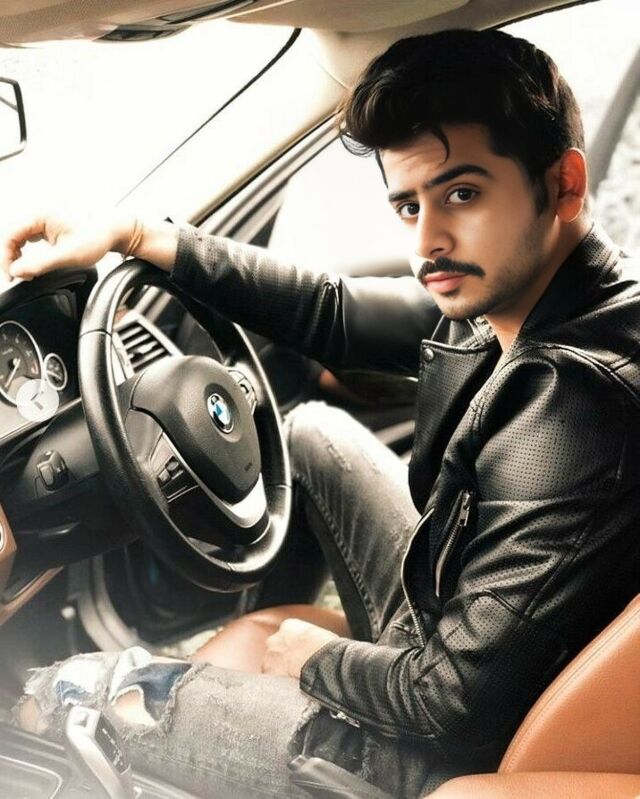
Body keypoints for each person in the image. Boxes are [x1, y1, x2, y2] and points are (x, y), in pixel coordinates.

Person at [2, 28, 640, 799]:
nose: (427, 242)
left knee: (71, 693)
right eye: (408, 205)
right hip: (460, 619)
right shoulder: (543, 296)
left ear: (564, 184)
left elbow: (452, 705)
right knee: (311, 433)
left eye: (462, 194)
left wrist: (312, 656)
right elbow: (332, 311)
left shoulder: (573, 406)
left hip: (441, 747)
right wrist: (137, 236)